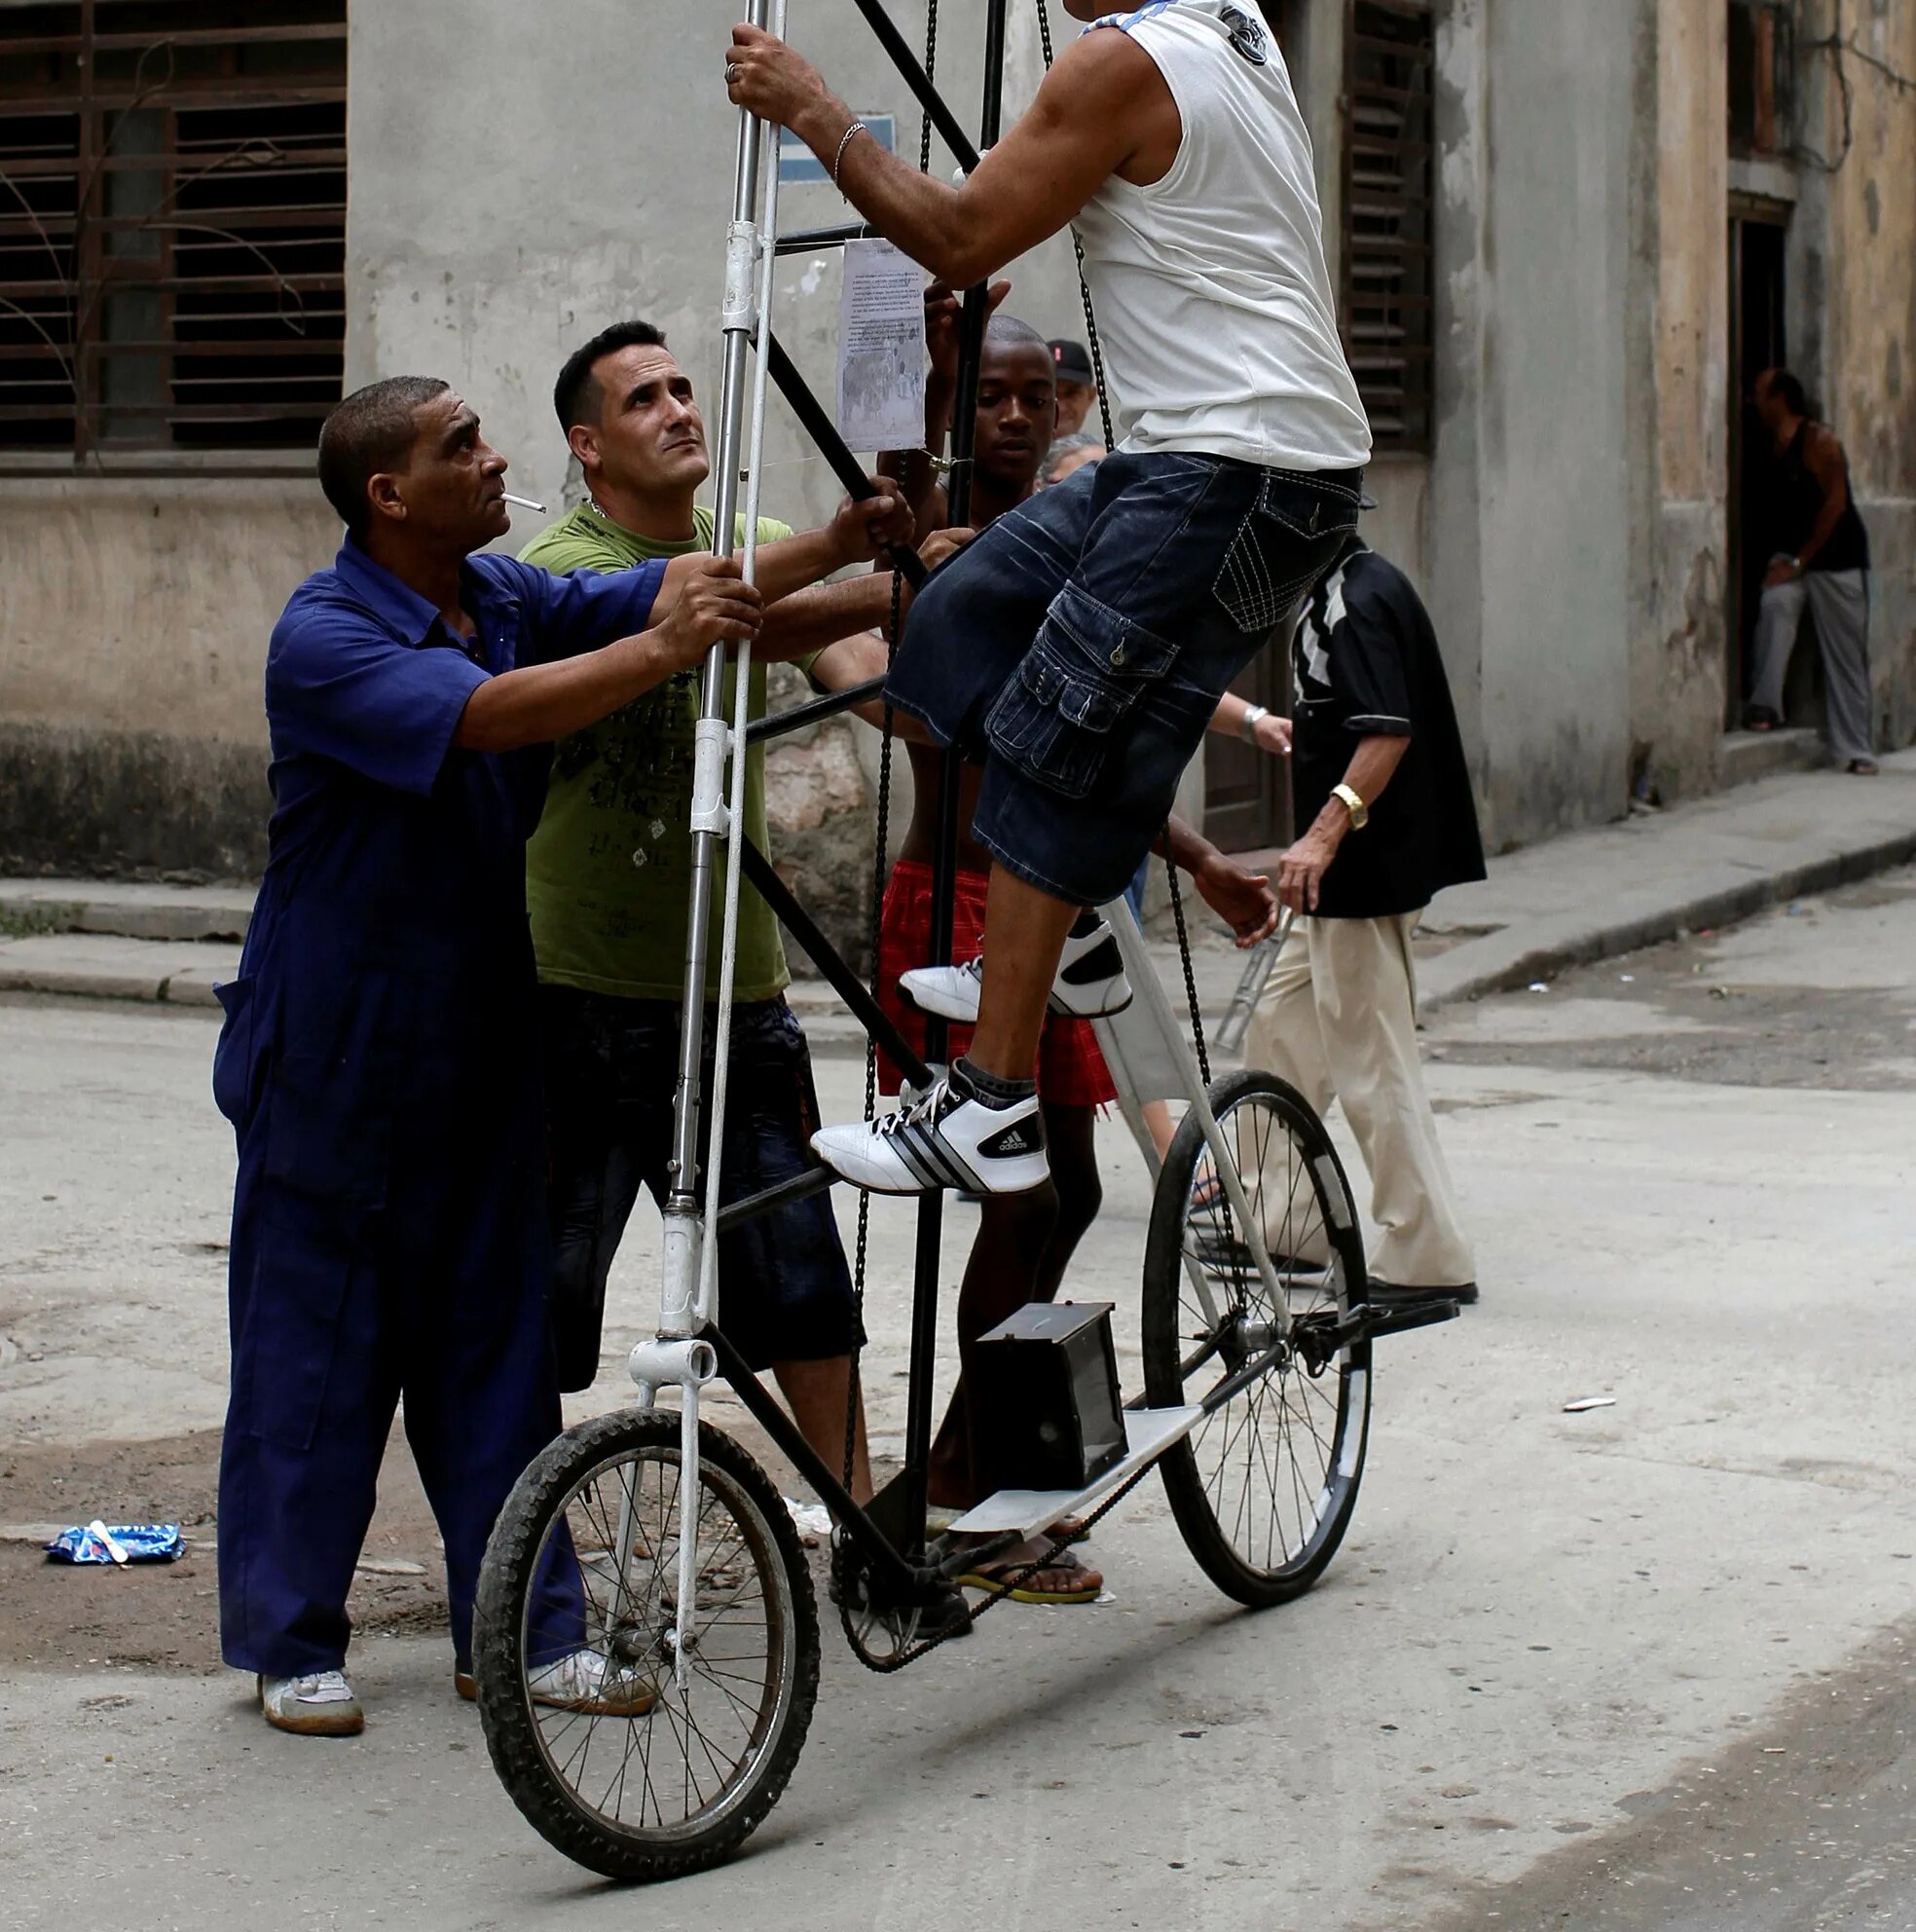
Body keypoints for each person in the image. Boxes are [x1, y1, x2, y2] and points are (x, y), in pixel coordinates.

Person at [726, 0, 1370, 1199]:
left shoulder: (1110, 70)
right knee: (953, 624)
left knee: (1061, 741)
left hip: (1229, 470)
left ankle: (991, 1104)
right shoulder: (1234, 21)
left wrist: (819, 110)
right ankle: (1066, 930)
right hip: (1230, 463)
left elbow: (957, 237)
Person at [214, 377, 761, 1738]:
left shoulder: (498, 594)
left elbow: (674, 593)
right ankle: (291, 1642)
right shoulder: (327, 636)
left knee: (497, 1343)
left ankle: (519, 1629)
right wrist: (664, 649)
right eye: (461, 446)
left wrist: (873, 545)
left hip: (476, 1030)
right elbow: (492, 717)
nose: (493, 454)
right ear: (387, 494)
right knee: (315, 1352)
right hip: (333, 1045)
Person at [861, 295, 1277, 1596]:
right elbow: (906, 520)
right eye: (992, 393)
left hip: (1048, 906)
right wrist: (930, 388)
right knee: (1024, 1194)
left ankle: (966, 1465)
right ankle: (961, 1487)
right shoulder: (942, 553)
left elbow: (1093, 750)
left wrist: (1203, 858)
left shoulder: (1073, 545)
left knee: (1079, 1191)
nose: (1019, 415)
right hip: (963, 908)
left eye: (1039, 394)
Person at [519, 320, 914, 1496]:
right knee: (540, 1291)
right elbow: (705, 611)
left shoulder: (752, 546)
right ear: (589, 446)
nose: (680, 409)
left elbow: (857, 674)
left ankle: (859, 1524)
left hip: (731, 986)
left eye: (685, 388)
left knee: (794, 1274)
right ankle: (524, 1566)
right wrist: (841, 558)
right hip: (572, 991)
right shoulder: (555, 569)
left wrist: (936, 618)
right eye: (644, 399)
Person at [1246, 533, 1483, 1308]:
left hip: (1362, 873)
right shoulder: (1332, 591)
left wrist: (1320, 835)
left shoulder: (1356, 599)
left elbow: (1386, 732)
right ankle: (1287, 1220)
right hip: (1340, 878)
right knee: (1279, 1026)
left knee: (1371, 1061)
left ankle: (1427, 1254)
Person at [1744, 368, 1876, 772]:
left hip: (1834, 560)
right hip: (1795, 558)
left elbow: (1835, 507)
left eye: (1758, 392)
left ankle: (1855, 750)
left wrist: (1801, 561)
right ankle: (1765, 705)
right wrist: (1786, 563)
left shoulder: (1821, 442)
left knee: (1845, 653)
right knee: (1775, 605)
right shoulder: (1766, 446)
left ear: (1780, 399)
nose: (1752, 400)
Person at [1047, 336, 1097, 443]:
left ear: (1091, 396)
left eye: (1072, 394)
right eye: (1050, 395)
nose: (1061, 408)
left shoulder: (1105, 457)